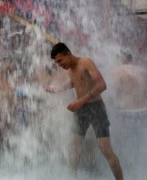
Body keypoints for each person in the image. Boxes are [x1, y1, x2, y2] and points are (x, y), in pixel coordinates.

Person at [45, 42, 123, 180]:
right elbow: (75, 82)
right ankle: (71, 178)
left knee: (105, 149)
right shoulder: (70, 69)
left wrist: (80, 101)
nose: (59, 65)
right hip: (81, 110)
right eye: (57, 63)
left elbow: (102, 85)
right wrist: (58, 89)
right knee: (74, 148)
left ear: (68, 54)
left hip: (96, 108)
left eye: (60, 61)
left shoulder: (85, 62)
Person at [112, 51, 147, 173]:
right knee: (138, 140)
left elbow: (115, 93)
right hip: (143, 111)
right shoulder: (142, 71)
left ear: (120, 59)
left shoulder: (118, 71)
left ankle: (128, 168)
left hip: (128, 112)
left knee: (125, 141)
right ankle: (139, 166)